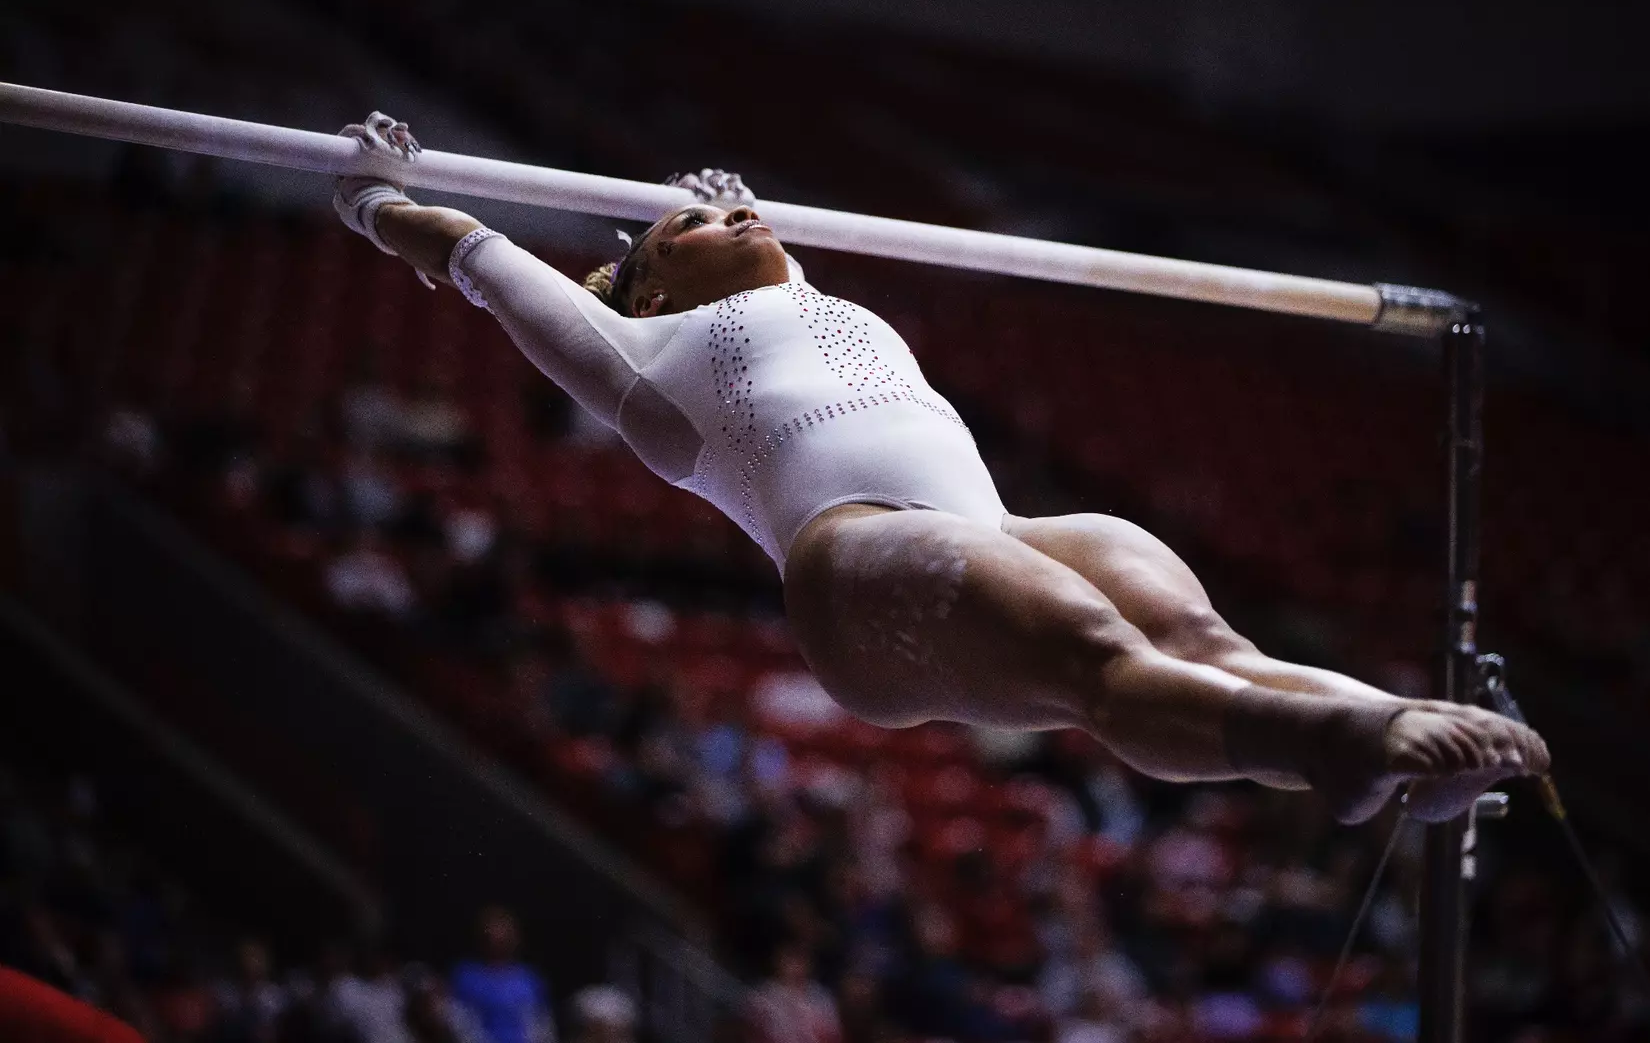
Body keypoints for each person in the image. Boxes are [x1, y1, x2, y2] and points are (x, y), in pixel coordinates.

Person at [333, 112, 1548, 827]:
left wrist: (708, 210)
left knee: (1195, 629)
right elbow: (478, 253)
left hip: (997, 525)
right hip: (860, 552)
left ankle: (1379, 729)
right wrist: (378, 196)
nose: (744, 218)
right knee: (1100, 657)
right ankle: (1341, 746)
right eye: (694, 229)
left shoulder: (794, 288)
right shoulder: (644, 353)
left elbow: (752, 241)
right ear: (648, 285)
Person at [449, 907, 555, 1043]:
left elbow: (542, 1022)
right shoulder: (466, 977)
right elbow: (460, 1023)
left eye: (503, 931)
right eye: (492, 931)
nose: (498, 937)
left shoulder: (529, 978)